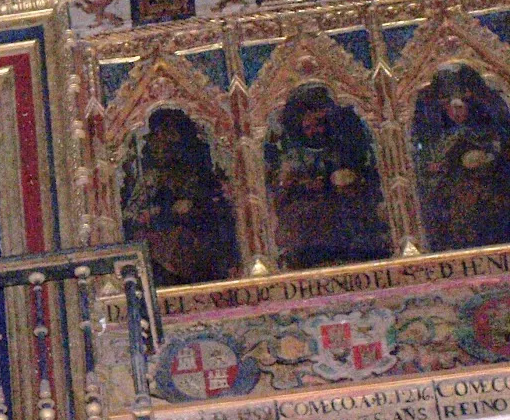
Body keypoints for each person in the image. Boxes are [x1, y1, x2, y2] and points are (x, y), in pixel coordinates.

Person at [266, 85, 390, 270]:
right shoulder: (293, 157)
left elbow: (364, 175)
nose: (315, 131)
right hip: (310, 216)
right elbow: (283, 189)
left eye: (318, 125)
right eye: (308, 127)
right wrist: (305, 185)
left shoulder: (339, 149)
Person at [120, 108, 240, 285]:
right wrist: (156, 212)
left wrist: (193, 205)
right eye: (159, 137)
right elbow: (132, 214)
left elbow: (220, 205)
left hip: (197, 235)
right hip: (163, 238)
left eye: (169, 136)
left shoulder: (199, 173)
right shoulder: (150, 177)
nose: (162, 144)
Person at [412, 63, 510, 250]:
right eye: (448, 105)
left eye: (461, 105)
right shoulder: (437, 138)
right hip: (453, 208)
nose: (455, 111)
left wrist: (487, 159)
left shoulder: (489, 132)